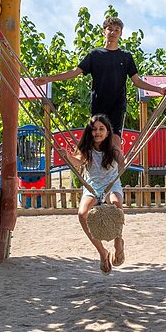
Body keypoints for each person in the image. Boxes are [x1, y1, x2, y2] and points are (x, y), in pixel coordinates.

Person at [34, 16, 164, 134]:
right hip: (99, 105)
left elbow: (137, 81)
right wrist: (48, 79)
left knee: (115, 141)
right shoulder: (95, 55)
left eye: (117, 30)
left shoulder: (126, 56)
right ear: (104, 32)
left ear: (120, 34)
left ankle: (117, 154)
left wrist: (158, 89)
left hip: (117, 105)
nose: (113, 32)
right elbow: (74, 72)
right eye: (110, 29)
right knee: (98, 140)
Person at [59, 114, 126, 273]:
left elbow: (122, 163)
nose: (98, 132)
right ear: (90, 132)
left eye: (101, 129)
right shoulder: (87, 149)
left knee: (116, 204)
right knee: (82, 213)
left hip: (111, 185)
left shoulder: (113, 149)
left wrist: (125, 159)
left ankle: (118, 241)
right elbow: (77, 161)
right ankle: (102, 252)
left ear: (107, 132)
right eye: (94, 129)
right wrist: (67, 156)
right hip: (93, 188)